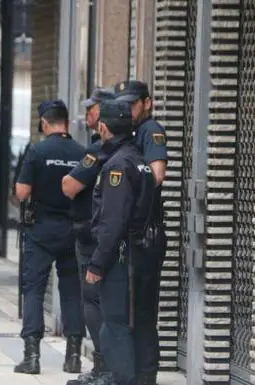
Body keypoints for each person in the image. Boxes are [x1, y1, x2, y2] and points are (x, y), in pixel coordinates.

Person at [87, 99, 164, 385]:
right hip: (141, 252)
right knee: (142, 321)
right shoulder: (141, 160)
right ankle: (145, 377)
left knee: (115, 324)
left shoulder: (117, 165)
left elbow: (113, 221)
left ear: (104, 127)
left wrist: (97, 262)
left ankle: (126, 379)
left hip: (121, 255)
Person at [13, 100, 85, 375]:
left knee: (33, 290)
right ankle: (74, 357)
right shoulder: (82, 153)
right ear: (66, 122)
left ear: (44, 123)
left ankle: (31, 357)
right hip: (72, 231)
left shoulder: (37, 151)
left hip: (40, 230)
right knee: (71, 292)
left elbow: (21, 192)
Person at [61, 87, 115, 385]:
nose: (87, 114)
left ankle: (103, 367)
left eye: (92, 109)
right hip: (114, 234)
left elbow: (70, 186)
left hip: (92, 235)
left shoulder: (98, 150)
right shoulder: (126, 148)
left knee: (93, 301)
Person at [114, 80, 167, 383]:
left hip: (147, 231)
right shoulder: (134, 133)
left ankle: (146, 375)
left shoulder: (151, 130)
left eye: (132, 103)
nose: (128, 109)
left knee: (143, 310)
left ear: (146, 103)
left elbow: (157, 175)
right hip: (137, 230)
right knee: (132, 308)